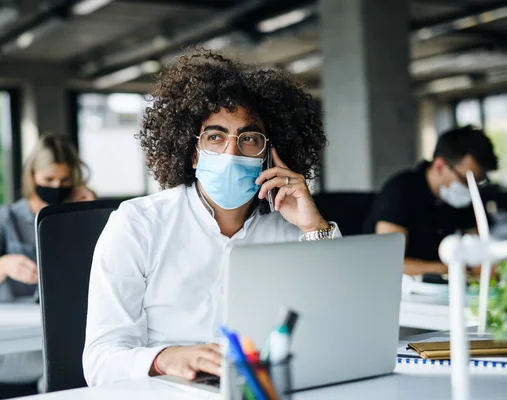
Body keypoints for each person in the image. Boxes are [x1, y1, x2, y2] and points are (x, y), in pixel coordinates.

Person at [83, 49, 341, 386]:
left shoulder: (293, 229)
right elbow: (100, 362)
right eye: (215, 137)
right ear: (193, 153)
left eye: (249, 139)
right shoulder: (137, 224)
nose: (231, 152)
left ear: (269, 153)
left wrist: (313, 227)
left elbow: (340, 329)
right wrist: (165, 358)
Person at [0, 133, 94, 387]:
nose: (56, 186)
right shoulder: (5, 220)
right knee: (69, 367)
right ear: (33, 176)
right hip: (11, 346)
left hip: (64, 336)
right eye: (49, 179)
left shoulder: (73, 217)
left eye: (64, 180)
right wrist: (1, 267)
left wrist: (90, 215)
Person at [364, 125, 498, 277]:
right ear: (440, 166)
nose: (470, 189)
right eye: (465, 180)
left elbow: (478, 252)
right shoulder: (401, 190)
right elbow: (388, 262)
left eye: (477, 182)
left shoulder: (464, 199)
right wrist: (455, 269)